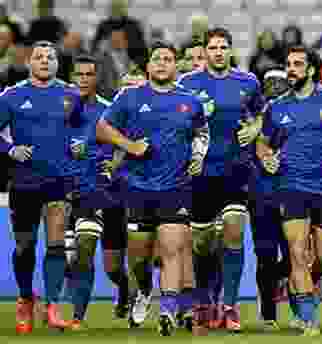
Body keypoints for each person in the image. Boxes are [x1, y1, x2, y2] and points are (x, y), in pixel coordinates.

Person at [96, 40, 209, 336]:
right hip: (137, 187)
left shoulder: (190, 101)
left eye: (168, 59)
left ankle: (168, 311)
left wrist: (197, 157)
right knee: (140, 257)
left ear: (175, 66)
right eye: (157, 59)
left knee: (172, 250)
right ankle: (145, 289)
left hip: (176, 187)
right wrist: (130, 146)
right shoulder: (130, 97)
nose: (162, 63)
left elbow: (201, 133)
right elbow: (102, 128)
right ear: (148, 66)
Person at [256, 44, 322, 336]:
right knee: (297, 252)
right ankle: (308, 318)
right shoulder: (277, 106)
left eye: (297, 64)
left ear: (312, 70)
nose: (290, 69)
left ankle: (297, 286)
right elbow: (263, 142)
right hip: (291, 187)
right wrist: (267, 159)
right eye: (289, 64)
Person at [178, 27, 264, 333]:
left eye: (223, 47)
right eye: (212, 47)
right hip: (200, 173)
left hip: (236, 170)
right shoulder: (187, 83)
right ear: (205, 52)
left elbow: (262, 114)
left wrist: (255, 128)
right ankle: (205, 299)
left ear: (230, 50)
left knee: (233, 234)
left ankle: (230, 306)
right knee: (202, 244)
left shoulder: (248, 82)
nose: (218, 52)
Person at [0, 40, 85, 333]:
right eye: (39, 57)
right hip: (24, 181)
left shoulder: (71, 94)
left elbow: (83, 128)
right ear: (29, 63)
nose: (45, 61)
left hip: (59, 181)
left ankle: (51, 305)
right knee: (24, 247)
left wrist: (80, 144)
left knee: (56, 245)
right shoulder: (12, 96)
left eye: (50, 57)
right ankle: (25, 299)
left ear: (57, 63)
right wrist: (10, 150)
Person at [67, 54, 130, 329]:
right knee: (83, 249)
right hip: (76, 195)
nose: (83, 79)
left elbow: (127, 145)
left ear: (96, 78)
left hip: (108, 194)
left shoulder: (108, 111)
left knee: (113, 267)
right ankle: (78, 316)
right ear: (72, 78)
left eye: (88, 75)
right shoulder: (60, 112)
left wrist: (115, 162)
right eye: (79, 74)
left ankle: (124, 288)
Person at [251, 65, 291, 332]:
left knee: (293, 257)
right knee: (265, 255)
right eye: (270, 84)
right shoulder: (251, 121)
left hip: (293, 194)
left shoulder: (295, 115)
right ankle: (268, 314)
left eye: (280, 83)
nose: (275, 89)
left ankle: (278, 282)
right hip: (261, 195)